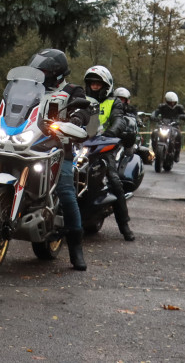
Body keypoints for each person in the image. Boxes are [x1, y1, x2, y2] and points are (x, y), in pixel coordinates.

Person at [27, 48, 88, 270]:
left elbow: (84, 109)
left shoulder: (72, 90)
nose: (40, 74)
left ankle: (76, 249)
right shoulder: (30, 89)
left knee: (65, 190)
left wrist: (77, 118)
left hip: (60, 148)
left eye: (44, 70)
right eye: (38, 70)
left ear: (57, 72)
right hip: (28, 144)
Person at [82, 65, 135, 241]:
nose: (94, 86)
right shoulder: (81, 99)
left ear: (106, 85)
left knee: (114, 180)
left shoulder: (114, 102)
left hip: (102, 146)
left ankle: (124, 225)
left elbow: (119, 120)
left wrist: (110, 134)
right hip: (79, 143)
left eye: (98, 84)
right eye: (92, 83)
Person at [152, 91, 185, 161]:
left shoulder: (179, 107)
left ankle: (177, 153)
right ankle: (154, 150)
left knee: (179, 135)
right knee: (154, 133)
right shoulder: (162, 106)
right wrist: (153, 116)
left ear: (176, 102)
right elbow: (156, 112)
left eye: (173, 102)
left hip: (174, 125)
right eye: (170, 102)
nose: (172, 104)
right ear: (166, 101)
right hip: (163, 124)